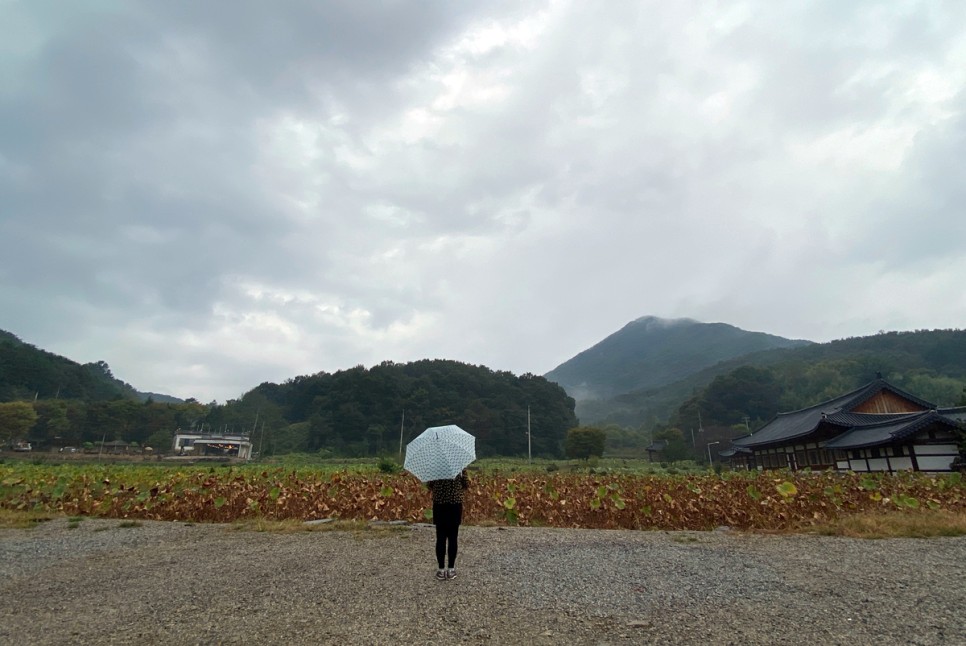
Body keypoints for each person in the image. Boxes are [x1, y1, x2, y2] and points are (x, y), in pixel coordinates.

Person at [427, 469, 469, 580]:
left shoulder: (435, 467)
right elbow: (466, 484)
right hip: (455, 505)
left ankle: (441, 570)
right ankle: (451, 569)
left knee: (440, 537)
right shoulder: (459, 466)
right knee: (453, 537)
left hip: (439, 505)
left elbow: (430, 485)